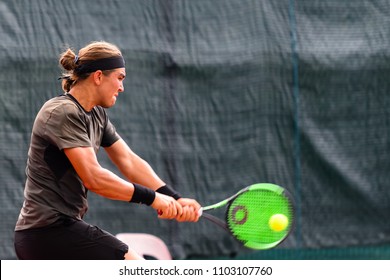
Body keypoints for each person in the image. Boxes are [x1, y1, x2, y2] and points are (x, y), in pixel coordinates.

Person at [14, 41, 201, 260]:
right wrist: (153, 199)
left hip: (59, 232)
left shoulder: (97, 115)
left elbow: (129, 161)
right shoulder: (62, 112)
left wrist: (173, 198)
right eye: (120, 78)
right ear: (99, 76)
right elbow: (94, 178)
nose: (122, 87)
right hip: (47, 234)